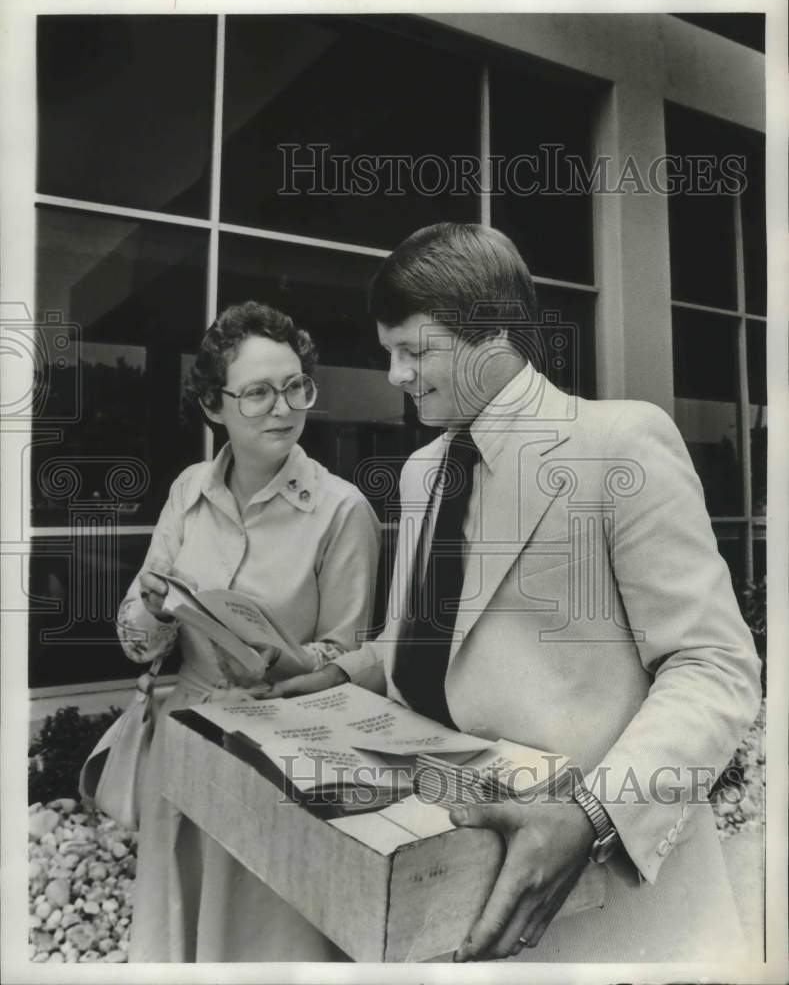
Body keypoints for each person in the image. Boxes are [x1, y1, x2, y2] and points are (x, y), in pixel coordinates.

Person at [267, 223, 762, 963]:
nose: (395, 375)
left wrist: (593, 814)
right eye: (387, 354)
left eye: (414, 350)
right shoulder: (419, 473)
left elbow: (715, 669)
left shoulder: (618, 444)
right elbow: (429, 637)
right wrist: (342, 674)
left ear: (493, 332)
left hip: (608, 913)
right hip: (445, 871)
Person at [116, 301, 380, 961]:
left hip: (283, 758)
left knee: (265, 940)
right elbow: (137, 642)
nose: (282, 408)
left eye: (295, 387)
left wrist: (288, 662)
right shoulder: (187, 491)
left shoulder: (342, 509)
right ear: (214, 405)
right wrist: (151, 606)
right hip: (183, 742)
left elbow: (348, 655)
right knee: (182, 926)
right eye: (258, 392)